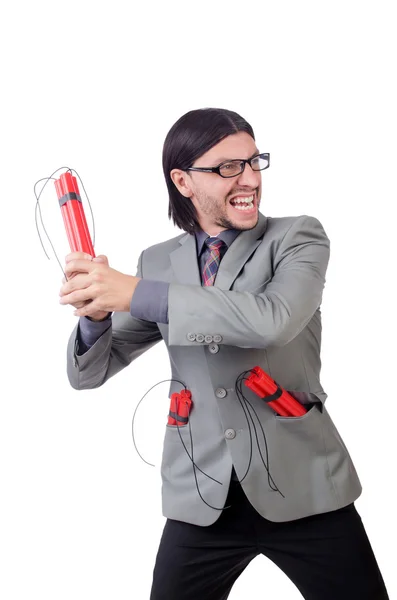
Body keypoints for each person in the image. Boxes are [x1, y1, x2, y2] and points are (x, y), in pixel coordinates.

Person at [60, 108, 389, 599]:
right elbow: (91, 372)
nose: (250, 179)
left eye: (255, 162)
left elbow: (272, 320)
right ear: (183, 181)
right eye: (227, 167)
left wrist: (136, 293)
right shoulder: (157, 262)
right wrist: (97, 312)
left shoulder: (297, 237)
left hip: (304, 488)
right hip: (201, 494)